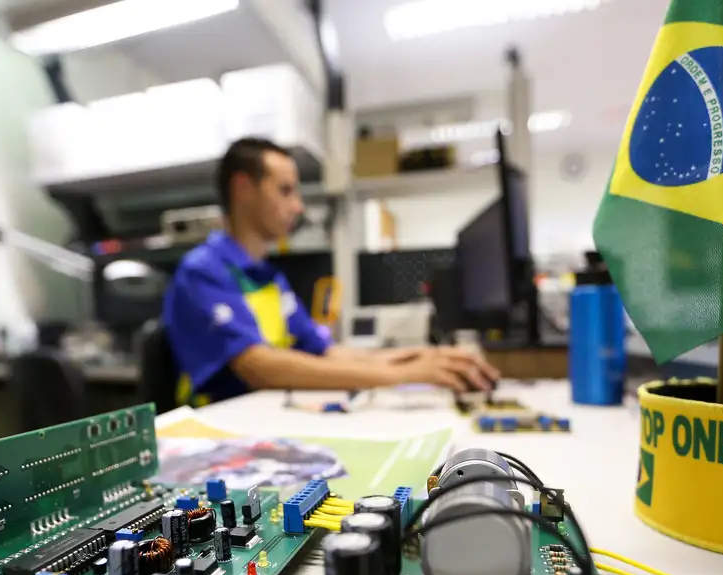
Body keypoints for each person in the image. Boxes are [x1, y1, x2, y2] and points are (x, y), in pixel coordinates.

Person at [163, 137, 500, 406]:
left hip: (266, 417)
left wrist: (417, 357)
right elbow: (259, 367)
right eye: (285, 190)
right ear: (243, 189)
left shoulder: (268, 277)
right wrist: (405, 375)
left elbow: (326, 352)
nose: (297, 206)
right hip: (220, 432)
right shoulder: (203, 272)